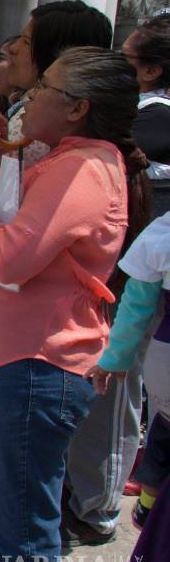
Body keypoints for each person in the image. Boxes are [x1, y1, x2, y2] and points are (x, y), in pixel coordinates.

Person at [0, 46, 148, 562]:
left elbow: (10, 258)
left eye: (45, 86)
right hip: (21, 360)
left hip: (38, 364)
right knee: (14, 513)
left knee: (27, 528)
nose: (31, 96)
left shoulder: (81, 169)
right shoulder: (60, 158)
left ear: (76, 109)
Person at [88, 210, 170, 529]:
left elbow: (137, 304)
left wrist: (115, 359)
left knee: (162, 438)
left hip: (165, 360)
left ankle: (149, 512)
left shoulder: (163, 229)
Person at [123, 14, 170, 182]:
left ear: (150, 72)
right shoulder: (135, 102)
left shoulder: (158, 114)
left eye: (124, 56)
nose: (114, 61)